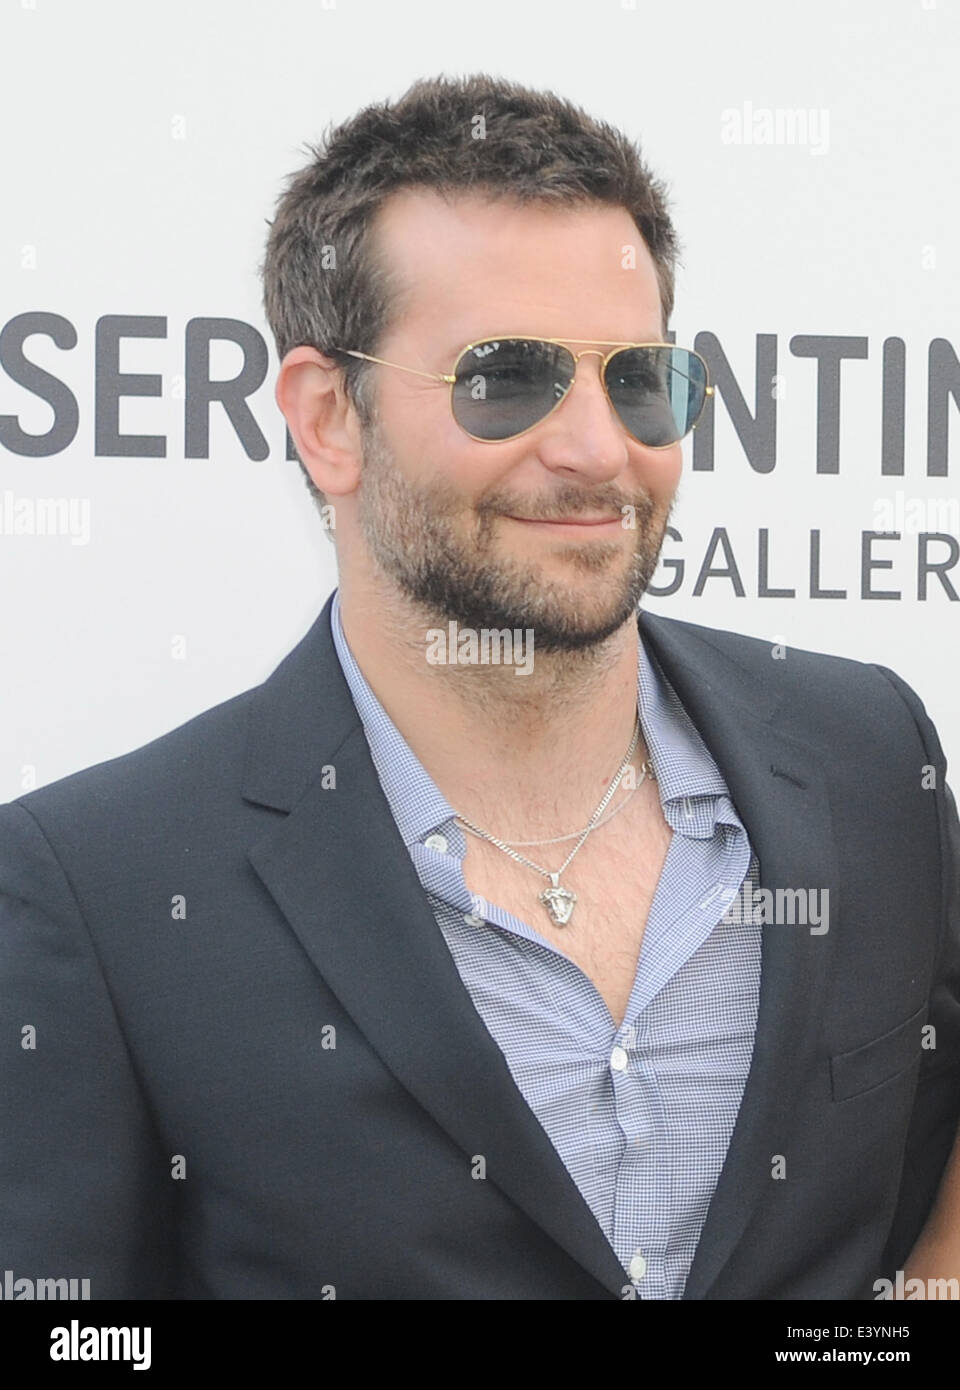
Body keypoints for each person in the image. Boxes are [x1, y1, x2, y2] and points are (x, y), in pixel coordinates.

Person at [1, 73, 958, 1301]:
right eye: (506, 378)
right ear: (326, 419)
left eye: (638, 379)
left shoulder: (869, 757)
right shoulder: (106, 889)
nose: (597, 449)